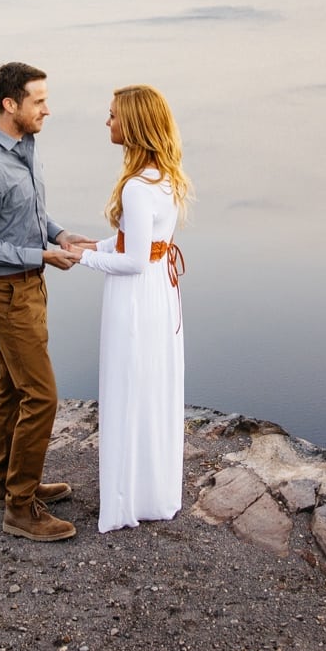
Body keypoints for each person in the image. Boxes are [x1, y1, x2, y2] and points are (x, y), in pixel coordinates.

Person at [0, 62, 95, 543]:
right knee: (42, 395)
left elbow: (25, 213)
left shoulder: (21, 149)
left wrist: (57, 233)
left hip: (27, 285)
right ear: (9, 105)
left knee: (13, 390)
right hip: (7, 291)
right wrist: (39, 253)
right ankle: (20, 508)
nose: (47, 109)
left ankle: (9, 484)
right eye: (38, 101)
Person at [74, 85, 192, 532]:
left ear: (134, 124)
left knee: (129, 386)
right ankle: (154, 491)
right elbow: (147, 244)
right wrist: (91, 242)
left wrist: (80, 257)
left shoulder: (136, 189)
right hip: (160, 291)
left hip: (136, 297)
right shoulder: (163, 177)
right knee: (153, 388)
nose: (107, 122)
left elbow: (132, 261)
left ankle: (128, 499)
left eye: (113, 116)